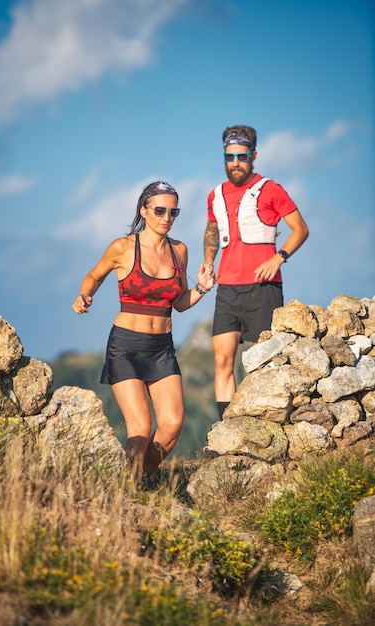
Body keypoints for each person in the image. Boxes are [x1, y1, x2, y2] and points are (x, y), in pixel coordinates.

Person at [73, 181, 215, 485]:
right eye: (160, 210)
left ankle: (132, 481)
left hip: (162, 348)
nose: (167, 217)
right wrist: (85, 295)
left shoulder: (179, 251)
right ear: (144, 210)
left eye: (173, 211)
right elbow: (94, 276)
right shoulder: (123, 247)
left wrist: (202, 288)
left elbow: (179, 304)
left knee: (172, 425)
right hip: (126, 346)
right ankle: (133, 489)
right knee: (139, 429)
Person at [204, 124, 309, 420]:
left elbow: (300, 229)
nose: (235, 162)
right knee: (222, 361)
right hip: (227, 288)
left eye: (241, 156)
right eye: (229, 156)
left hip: (263, 289)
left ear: (253, 155)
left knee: (261, 363)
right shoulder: (215, 195)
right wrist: (209, 261)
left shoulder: (271, 189)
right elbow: (212, 230)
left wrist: (279, 258)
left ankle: (260, 424)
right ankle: (226, 428)